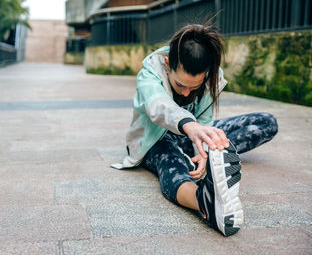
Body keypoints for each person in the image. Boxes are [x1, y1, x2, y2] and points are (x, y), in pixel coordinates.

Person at [111, 23, 278, 236]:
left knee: (266, 122)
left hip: (194, 134)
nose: (187, 91)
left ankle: (214, 159)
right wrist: (192, 128)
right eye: (180, 85)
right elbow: (157, 106)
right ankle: (204, 201)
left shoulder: (212, 75)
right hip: (154, 141)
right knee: (172, 164)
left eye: (195, 86)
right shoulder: (150, 72)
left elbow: (205, 121)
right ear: (168, 62)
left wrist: (205, 152)